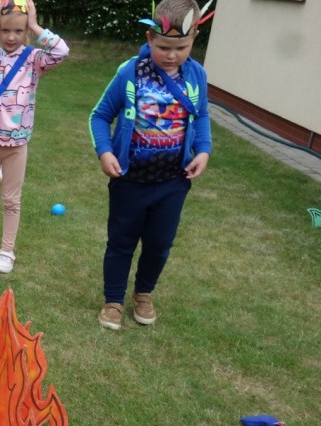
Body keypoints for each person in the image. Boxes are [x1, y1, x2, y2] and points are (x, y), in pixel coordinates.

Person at [90, 0, 213, 330]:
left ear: (194, 38)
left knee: (159, 244)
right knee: (121, 242)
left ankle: (143, 293)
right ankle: (113, 301)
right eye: (163, 48)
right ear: (149, 38)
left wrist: (203, 150)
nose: (171, 55)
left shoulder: (197, 75)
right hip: (129, 179)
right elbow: (100, 116)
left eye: (181, 48)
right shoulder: (129, 72)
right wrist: (105, 152)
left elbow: (201, 115)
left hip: (173, 181)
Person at [0, 0, 68, 274]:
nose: (11, 37)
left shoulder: (34, 60)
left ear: (27, 32)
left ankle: (6, 251)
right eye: (6, 30)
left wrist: (35, 25)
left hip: (17, 145)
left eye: (19, 31)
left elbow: (61, 51)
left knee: (11, 201)